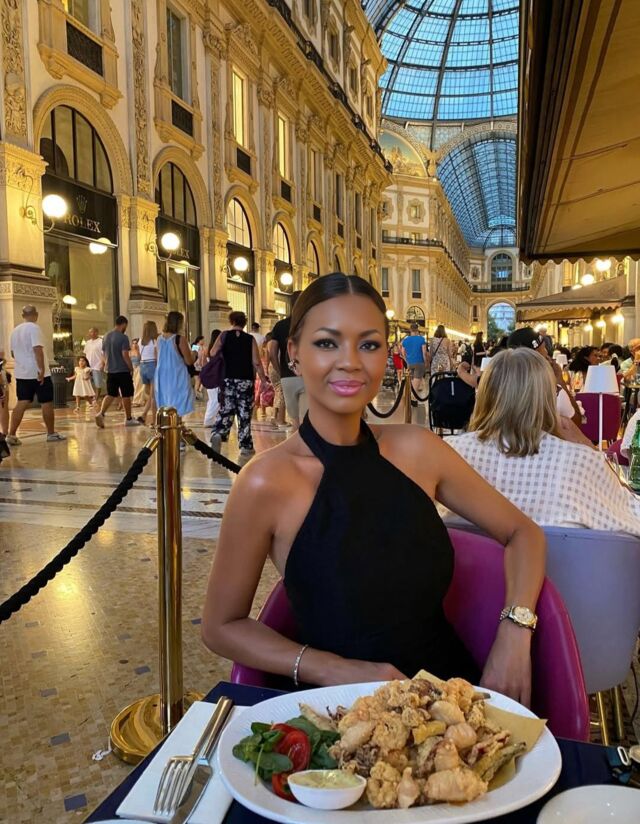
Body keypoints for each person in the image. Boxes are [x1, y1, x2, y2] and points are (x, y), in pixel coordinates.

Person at [202, 274, 545, 704]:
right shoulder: (266, 481)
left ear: (387, 354)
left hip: (450, 700)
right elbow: (221, 625)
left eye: (368, 344)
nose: (350, 362)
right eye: (327, 343)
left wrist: (515, 632)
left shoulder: (418, 450)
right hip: (339, 712)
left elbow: (523, 533)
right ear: (294, 353)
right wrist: (333, 668)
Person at [442, 348, 640, 537]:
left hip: (469, 561)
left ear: (485, 393)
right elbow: (633, 517)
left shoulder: (448, 452)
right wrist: (589, 447)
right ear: (546, 396)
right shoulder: (580, 460)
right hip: (559, 561)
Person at [209, 311, 267, 456]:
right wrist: (263, 380)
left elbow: (212, 352)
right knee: (244, 412)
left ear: (231, 321)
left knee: (226, 409)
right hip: (245, 380)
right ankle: (246, 445)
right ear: (244, 323)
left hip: (227, 379)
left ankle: (219, 433)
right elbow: (256, 362)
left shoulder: (224, 335)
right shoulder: (250, 339)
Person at [7, 305, 66, 444]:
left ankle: (11, 434)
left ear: (23, 315)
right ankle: (51, 433)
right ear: (36, 314)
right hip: (38, 373)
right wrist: (41, 369)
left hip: (22, 373)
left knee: (22, 401)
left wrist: (23, 363)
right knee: (46, 402)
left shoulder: (15, 331)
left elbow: (13, 353)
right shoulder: (34, 328)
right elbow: (37, 349)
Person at [95, 316, 141, 428]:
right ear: (124, 324)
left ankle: (101, 413)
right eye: (126, 326)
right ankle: (128, 419)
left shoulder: (106, 336)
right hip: (122, 370)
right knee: (126, 394)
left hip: (110, 370)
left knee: (111, 393)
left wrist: (107, 364)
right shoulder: (123, 337)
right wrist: (130, 367)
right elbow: (125, 354)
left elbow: (104, 354)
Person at [269, 291, 304, 430]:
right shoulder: (309, 323)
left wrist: (280, 370)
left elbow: (272, 353)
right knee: (308, 418)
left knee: (295, 420)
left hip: (287, 377)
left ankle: (297, 440)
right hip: (307, 376)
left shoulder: (280, 325)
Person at [155, 311, 196, 421]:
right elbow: (189, 361)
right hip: (177, 375)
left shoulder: (159, 339)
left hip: (162, 375)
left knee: (166, 403)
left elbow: (157, 357)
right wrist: (194, 353)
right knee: (179, 403)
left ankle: (169, 426)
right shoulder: (179, 339)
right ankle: (177, 426)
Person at [137, 321, 158, 425]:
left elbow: (139, 356)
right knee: (153, 396)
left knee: (151, 394)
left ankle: (144, 415)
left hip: (143, 367)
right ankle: (153, 420)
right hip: (152, 365)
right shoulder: (154, 341)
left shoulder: (140, 341)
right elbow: (157, 357)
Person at [401, 323, 427, 402]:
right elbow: (424, 352)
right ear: (417, 330)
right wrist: (425, 362)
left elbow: (403, 352)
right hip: (419, 363)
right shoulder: (421, 339)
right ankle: (411, 400)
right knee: (416, 385)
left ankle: (412, 400)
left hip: (410, 364)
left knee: (412, 383)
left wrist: (406, 360)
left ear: (410, 330)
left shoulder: (405, 340)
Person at [203, 329, 222, 428]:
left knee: (212, 398)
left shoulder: (207, 349)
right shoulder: (219, 349)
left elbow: (203, 363)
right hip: (216, 375)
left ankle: (211, 419)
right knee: (216, 399)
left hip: (208, 376)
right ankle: (208, 420)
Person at [84, 327, 104, 404]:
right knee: (88, 382)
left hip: (97, 365)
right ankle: (91, 398)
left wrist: (102, 364)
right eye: (90, 332)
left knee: (97, 383)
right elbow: (85, 354)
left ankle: (96, 398)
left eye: (93, 332)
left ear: (96, 332)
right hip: (88, 366)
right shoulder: (88, 342)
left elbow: (104, 354)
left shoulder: (101, 341)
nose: (91, 334)